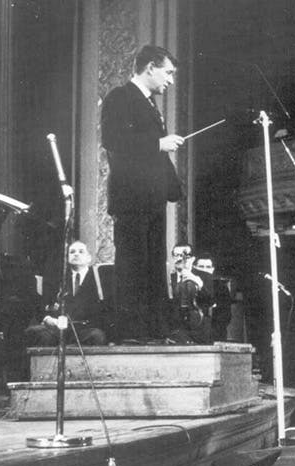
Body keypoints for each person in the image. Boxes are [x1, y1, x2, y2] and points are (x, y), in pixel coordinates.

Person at [101, 45, 184, 343]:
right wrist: (158, 144)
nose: (171, 81)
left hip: (152, 200)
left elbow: (156, 157)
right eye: (168, 72)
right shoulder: (119, 97)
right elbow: (112, 140)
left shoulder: (150, 105)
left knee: (152, 266)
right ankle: (131, 334)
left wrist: (174, 188)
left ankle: (153, 333)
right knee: (133, 265)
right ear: (150, 67)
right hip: (131, 199)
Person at [24, 240, 107, 346]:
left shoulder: (97, 279)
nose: (76, 254)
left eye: (81, 252)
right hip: (59, 330)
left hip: (85, 330)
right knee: (40, 335)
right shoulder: (59, 278)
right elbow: (45, 304)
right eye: (72, 252)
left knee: (97, 336)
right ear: (67, 258)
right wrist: (48, 319)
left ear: (89, 258)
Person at [167, 243, 213, 344]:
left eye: (185, 256)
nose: (180, 259)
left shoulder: (205, 276)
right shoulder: (169, 277)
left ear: (192, 259)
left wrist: (198, 283)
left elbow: (210, 301)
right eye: (176, 255)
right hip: (175, 331)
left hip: (199, 330)